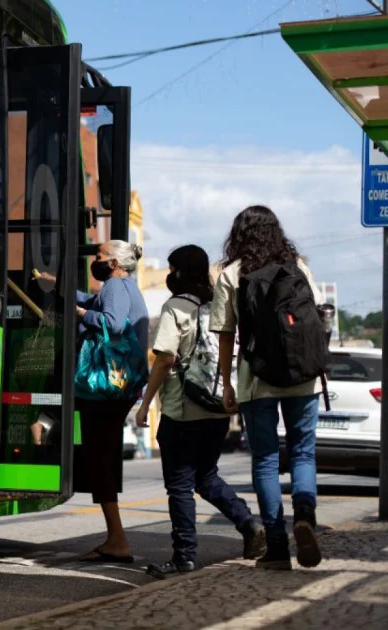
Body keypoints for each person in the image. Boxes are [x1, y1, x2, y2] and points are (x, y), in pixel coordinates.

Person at [136, 245, 265, 576]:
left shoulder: (176, 307)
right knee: (206, 476)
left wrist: (146, 403)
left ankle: (184, 556)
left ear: (181, 271)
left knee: (179, 484)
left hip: (183, 409)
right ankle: (247, 522)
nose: (169, 274)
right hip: (218, 408)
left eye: (172, 268)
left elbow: (165, 359)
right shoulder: (216, 306)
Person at [210, 205, 324, 570]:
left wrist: (226, 382)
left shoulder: (232, 274)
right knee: (303, 453)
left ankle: (277, 547)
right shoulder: (299, 266)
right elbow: (317, 317)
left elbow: (226, 334)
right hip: (303, 376)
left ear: (238, 235)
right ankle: (304, 515)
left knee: (266, 460)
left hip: (256, 378)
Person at [73, 240, 150, 564]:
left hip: (104, 388)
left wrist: (78, 313)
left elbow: (114, 323)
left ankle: (117, 539)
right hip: (120, 387)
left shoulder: (115, 285)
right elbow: (94, 303)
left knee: (100, 458)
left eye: (100, 256)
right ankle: (114, 537)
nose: (95, 260)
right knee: (100, 457)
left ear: (115, 263)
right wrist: (60, 289)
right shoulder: (124, 286)